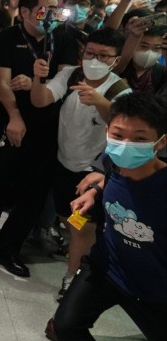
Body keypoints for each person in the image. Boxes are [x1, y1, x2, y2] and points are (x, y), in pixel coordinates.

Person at [53, 92, 165, 341]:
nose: (126, 144)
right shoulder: (113, 161)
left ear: (160, 143)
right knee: (67, 326)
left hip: (157, 292)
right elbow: (110, 182)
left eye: (139, 138)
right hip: (108, 268)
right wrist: (93, 194)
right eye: (118, 135)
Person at [0, 0, 79, 276]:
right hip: (9, 122)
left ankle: (8, 250)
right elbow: (3, 81)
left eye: (55, 9)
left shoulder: (64, 37)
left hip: (47, 128)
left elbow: (64, 79)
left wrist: (35, 81)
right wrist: (14, 116)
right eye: (44, 9)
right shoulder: (8, 37)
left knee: (33, 196)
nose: (50, 15)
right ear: (25, 11)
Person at [31, 28, 130, 298]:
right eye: (90, 53)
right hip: (64, 164)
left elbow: (125, 128)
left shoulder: (121, 91)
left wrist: (101, 103)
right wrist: (39, 78)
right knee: (71, 221)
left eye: (103, 56)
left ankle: (72, 281)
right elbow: (40, 100)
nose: (94, 60)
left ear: (116, 60)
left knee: (82, 228)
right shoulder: (71, 74)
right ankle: (85, 262)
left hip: (92, 173)